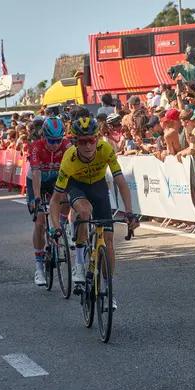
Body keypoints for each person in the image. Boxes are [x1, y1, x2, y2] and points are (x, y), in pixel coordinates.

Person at [49, 117, 139, 310]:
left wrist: (130, 212)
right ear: (75, 143)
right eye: (82, 142)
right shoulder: (69, 159)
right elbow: (55, 200)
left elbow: (121, 182)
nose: (88, 145)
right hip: (77, 187)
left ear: (97, 139)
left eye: (92, 140)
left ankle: (108, 290)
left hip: (98, 187)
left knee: (108, 241)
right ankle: (80, 264)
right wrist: (57, 228)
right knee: (85, 211)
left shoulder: (105, 149)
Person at [26, 117, 72, 286]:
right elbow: (36, 175)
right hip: (37, 182)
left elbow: (70, 173)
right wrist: (37, 199)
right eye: (51, 140)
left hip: (56, 181)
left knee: (66, 199)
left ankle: (59, 226)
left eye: (58, 140)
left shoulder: (67, 146)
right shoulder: (36, 147)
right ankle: (38, 268)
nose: (55, 144)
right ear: (44, 136)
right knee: (39, 222)